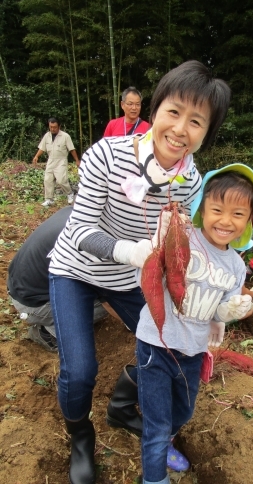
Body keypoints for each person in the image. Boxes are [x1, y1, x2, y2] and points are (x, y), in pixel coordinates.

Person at [48, 60, 231, 484]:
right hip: (77, 271)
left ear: (206, 132)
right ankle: (80, 436)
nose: (180, 129)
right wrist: (131, 251)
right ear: (155, 108)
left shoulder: (189, 180)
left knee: (174, 347)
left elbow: (184, 244)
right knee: (79, 370)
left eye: (196, 121)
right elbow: (78, 229)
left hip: (130, 280)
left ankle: (122, 407)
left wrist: (209, 309)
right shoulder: (105, 155)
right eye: (174, 111)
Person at [135, 164, 253, 484]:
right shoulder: (182, 236)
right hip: (156, 344)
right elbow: (151, 273)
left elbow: (218, 313)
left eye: (237, 214)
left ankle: (164, 443)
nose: (225, 220)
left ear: (247, 221)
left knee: (184, 412)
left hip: (193, 350)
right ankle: (153, 475)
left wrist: (232, 309)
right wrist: (160, 236)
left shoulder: (235, 265)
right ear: (202, 209)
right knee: (158, 422)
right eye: (217, 209)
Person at [7, 207, 108, 353]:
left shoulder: (80, 210)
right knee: (110, 301)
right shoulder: (91, 241)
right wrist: (135, 326)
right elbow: (111, 300)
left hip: (20, 283)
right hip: (33, 304)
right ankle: (47, 333)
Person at [32, 117, 80, 207]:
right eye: (51, 127)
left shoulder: (65, 136)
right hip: (50, 160)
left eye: (54, 127)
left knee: (61, 180)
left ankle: (70, 194)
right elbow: (42, 148)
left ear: (59, 126)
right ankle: (49, 199)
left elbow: (72, 149)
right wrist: (36, 156)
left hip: (61, 160)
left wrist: (77, 160)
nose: (53, 129)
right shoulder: (47, 136)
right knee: (47, 180)